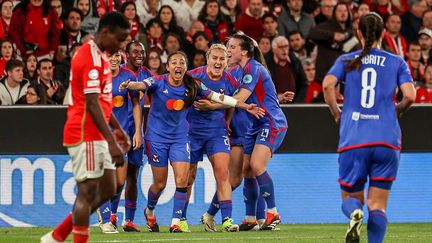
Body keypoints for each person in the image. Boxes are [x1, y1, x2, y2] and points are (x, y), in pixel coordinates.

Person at [120, 51, 264, 233]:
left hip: (180, 139)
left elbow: (217, 97)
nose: (178, 65)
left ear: (186, 68)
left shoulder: (193, 84)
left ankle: (176, 222)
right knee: (160, 184)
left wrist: (243, 105)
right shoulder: (157, 81)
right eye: (174, 62)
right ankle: (149, 210)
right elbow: (141, 84)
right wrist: (130, 84)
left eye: (182, 62)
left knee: (182, 180)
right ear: (168, 67)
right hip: (156, 138)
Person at [322, 12, 416, 243]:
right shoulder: (396, 62)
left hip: (354, 139)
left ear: (358, 34)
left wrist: (337, 113)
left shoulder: (346, 60)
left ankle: (355, 213)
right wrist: (396, 111)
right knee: (378, 205)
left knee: (352, 199)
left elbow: (327, 85)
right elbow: (410, 96)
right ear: (384, 33)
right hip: (387, 140)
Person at [40, 12, 131, 243]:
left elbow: (102, 101)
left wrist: (118, 129)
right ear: (106, 32)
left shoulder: (101, 56)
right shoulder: (89, 56)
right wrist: (112, 142)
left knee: (109, 188)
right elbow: (91, 103)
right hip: (85, 132)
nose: (122, 45)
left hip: (98, 133)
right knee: (87, 192)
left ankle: (58, 235)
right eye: (120, 39)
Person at [213, 32, 292, 231]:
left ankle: (273, 213)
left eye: (232, 47)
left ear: (245, 51)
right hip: (255, 125)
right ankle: (250, 219)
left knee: (257, 165)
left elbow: (242, 96)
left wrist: (211, 101)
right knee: (247, 170)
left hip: (271, 123)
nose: (228, 51)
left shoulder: (252, 68)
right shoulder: (240, 70)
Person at [182, 44, 242, 233]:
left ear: (226, 61)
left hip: (217, 133)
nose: (218, 62)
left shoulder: (231, 81)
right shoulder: (192, 76)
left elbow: (231, 103)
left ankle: (227, 220)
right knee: (188, 177)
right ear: (208, 58)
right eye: (214, 58)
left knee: (223, 174)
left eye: (221, 59)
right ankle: (181, 219)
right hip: (192, 132)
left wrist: (227, 123)